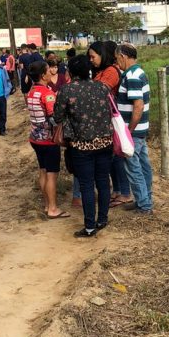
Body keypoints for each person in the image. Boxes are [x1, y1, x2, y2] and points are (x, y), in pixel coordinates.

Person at [53, 54, 113, 238]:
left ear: (71, 71)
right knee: (103, 182)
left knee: (86, 185)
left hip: (81, 145)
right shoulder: (102, 87)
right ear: (89, 70)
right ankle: (102, 220)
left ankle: (89, 227)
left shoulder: (66, 90)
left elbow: (57, 116)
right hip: (105, 142)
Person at [89, 40, 132, 207]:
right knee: (112, 157)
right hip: (104, 120)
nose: (91, 60)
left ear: (103, 55)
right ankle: (118, 190)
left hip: (110, 119)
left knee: (117, 158)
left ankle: (125, 192)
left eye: (93, 56)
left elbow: (99, 92)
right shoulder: (102, 71)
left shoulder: (111, 72)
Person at [26, 61, 69, 219]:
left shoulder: (32, 91)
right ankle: (53, 208)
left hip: (35, 139)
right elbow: (53, 117)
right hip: (49, 140)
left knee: (43, 171)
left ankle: (46, 205)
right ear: (43, 75)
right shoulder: (47, 93)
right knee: (52, 175)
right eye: (48, 70)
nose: (51, 72)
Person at [116, 43, 153, 215]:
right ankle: (144, 200)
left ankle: (144, 205)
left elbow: (138, 106)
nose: (117, 62)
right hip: (140, 129)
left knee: (133, 168)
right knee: (143, 166)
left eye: (117, 59)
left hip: (134, 131)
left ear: (123, 56)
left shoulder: (131, 76)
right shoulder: (139, 72)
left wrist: (128, 131)